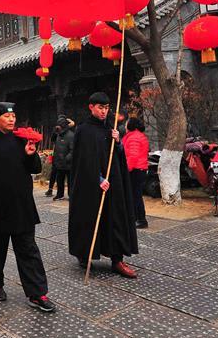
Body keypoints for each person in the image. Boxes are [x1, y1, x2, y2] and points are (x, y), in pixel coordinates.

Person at [0, 102, 55, 312]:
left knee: (28, 250)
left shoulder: (21, 141)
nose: (11, 119)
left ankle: (37, 293)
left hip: (22, 207)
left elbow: (34, 169)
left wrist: (30, 153)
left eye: (14, 116)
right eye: (7, 117)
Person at [68, 92, 139, 278]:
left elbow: (117, 156)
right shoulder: (84, 130)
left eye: (106, 108)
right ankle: (85, 254)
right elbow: (83, 161)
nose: (104, 112)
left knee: (117, 218)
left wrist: (118, 142)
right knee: (89, 219)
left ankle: (117, 259)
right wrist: (98, 179)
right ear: (91, 107)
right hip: (92, 185)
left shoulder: (111, 127)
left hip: (114, 182)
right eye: (100, 108)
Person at [123, 117, 150, 229]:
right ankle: (136, 218)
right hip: (140, 169)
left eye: (126, 124)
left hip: (135, 170)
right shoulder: (138, 136)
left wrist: (126, 170)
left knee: (135, 195)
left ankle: (140, 219)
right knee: (135, 195)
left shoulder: (134, 138)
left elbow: (132, 157)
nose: (124, 126)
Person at [50, 116, 74, 201]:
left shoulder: (71, 135)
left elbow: (73, 150)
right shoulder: (58, 134)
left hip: (68, 164)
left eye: (59, 125)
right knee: (59, 180)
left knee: (70, 181)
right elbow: (52, 141)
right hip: (59, 163)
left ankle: (71, 195)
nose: (58, 127)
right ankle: (60, 194)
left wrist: (66, 159)